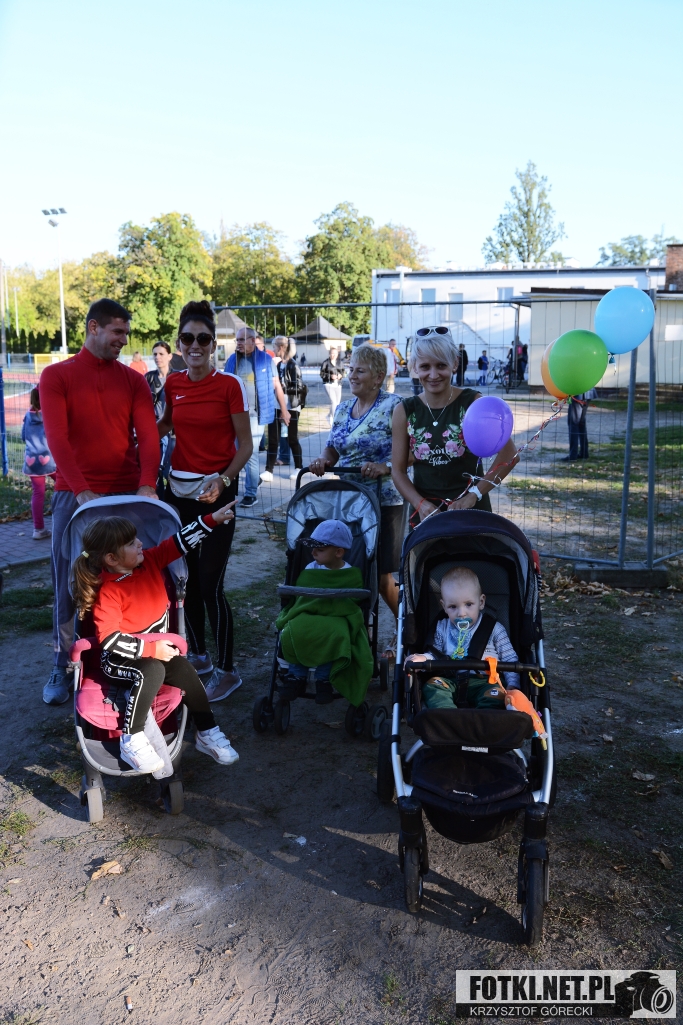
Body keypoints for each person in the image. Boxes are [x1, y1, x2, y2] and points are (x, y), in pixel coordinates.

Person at [40, 298, 160, 706]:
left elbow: (148, 436)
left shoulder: (133, 381)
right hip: (75, 496)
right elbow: (57, 437)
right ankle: (62, 662)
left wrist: (147, 484)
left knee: (130, 578)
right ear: (94, 327)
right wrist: (80, 489)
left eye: (126, 333)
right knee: (68, 582)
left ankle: (131, 655)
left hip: (126, 495)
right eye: (117, 332)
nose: (123, 340)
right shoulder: (57, 376)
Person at [72, 510, 239, 773]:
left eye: (136, 538)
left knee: (185, 668)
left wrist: (211, 520)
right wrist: (151, 649)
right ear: (111, 558)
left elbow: (180, 542)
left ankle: (206, 731)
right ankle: (132, 739)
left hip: (155, 652)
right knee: (151, 669)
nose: (140, 543)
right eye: (131, 543)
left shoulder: (150, 560)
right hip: (118, 660)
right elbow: (109, 639)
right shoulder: (110, 590)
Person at [157, 300, 253, 703]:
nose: (194, 345)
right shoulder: (173, 384)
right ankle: (199, 655)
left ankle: (229, 671)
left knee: (211, 585)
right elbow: (164, 424)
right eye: (187, 338)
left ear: (214, 344)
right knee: (186, 581)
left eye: (203, 339)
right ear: (179, 343)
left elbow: (245, 446)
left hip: (217, 494)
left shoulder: (230, 385)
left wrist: (224, 479)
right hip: (178, 495)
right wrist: (134, 434)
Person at [309, 344, 403, 630]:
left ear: (378, 377)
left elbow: (412, 452)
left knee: (382, 575)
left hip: (385, 500)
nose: (352, 376)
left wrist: (386, 466)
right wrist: (323, 460)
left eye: (360, 371)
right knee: (353, 564)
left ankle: (406, 630)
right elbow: (333, 448)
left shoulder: (394, 406)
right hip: (350, 500)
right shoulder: (342, 409)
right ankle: (354, 630)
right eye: (351, 370)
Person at [391, 326, 518, 523]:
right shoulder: (404, 411)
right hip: (426, 518)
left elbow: (510, 455)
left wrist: (475, 494)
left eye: (441, 365)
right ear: (415, 367)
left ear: (455, 364)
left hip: (472, 514)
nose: (433, 375)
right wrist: (420, 503)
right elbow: (398, 471)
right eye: (425, 367)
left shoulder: (472, 403)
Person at [275, 520, 373, 706]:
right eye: (312, 548)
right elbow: (302, 597)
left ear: (338, 552)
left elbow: (353, 602)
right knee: (294, 629)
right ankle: (296, 675)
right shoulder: (310, 569)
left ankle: (323, 678)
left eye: (319, 550)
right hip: (308, 612)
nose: (313, 553)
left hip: (337, 616)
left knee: (336, 634)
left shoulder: (351, 574)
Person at [406, 567, 519, 709]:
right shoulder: (441, 627)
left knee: (497, 695)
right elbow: (434, 654)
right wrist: (423, 658)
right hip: (450, 680)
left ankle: (485, 718)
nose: (461, 613)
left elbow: (509, 659)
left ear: (481, 602)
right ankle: (447, 715)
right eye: (453, 607)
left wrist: (513, 684)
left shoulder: (494, 629)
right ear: (444, 606)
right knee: (432, 686)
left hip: (486, 681)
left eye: (468, 604)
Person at [226, 326, 290, 508]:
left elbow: (277, 385)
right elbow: (224, 385)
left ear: (252, 341)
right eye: (237, 340)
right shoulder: (232, 360)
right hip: (235, 415)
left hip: (256, 415)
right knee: (236, 453)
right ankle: (245, 484)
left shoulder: (265, 360)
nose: (238, 343)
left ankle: (250, 493)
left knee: (250, 452)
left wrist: (284, 410)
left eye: (242, 340)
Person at [264, 337, 305, 481]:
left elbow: (299, 387)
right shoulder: (276, 364)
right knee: (273, 439)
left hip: (291, 406)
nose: (273, 349)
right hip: (275, 405)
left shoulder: (293, 365)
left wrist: (283, 387)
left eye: (274, 346)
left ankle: (298, 468)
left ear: (281, 347)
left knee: (292, 438)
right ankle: (268, 470)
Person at [21, 386, 55, 540]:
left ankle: (38, 529)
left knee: (38, 493)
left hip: (31, 461)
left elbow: (23, 436)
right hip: (50, 460)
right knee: (65, 487)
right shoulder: (49, 415)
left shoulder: (27, 416)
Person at [145, 341, 176, 497]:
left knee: (169, 469)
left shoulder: (177, 377)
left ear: (169, 356)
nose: (158, 357)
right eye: (155, 354)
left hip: (173, 431)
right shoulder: (148, 377)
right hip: (154, 429)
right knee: (155, 467)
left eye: (161, 354)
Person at [563, 390, 596, 461]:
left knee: (574, 423)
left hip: (577, 393)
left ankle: (573, 455)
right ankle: (584, 453)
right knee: (581, 423)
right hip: (588, 393)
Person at [320, 345, 345, 425]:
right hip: (328, 384)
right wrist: (330, 376)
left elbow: (344, 372)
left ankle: (329, 416)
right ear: (329, 354)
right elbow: (322, 374)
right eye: (332, 353)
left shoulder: (340, 363)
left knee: (337, 403)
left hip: (338, 384)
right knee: (333, 401)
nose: (333, 355)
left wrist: (341, 375)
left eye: (335, 353)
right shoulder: (325, 363)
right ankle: (334, 420)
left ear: (337, 354)